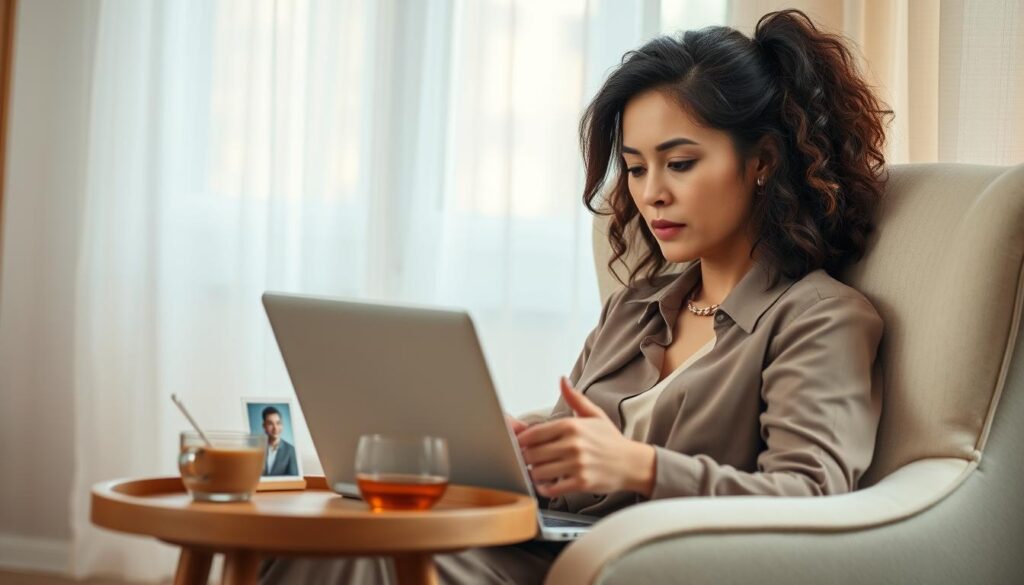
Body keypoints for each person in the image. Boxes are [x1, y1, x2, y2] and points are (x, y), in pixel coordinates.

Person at [260, 9, 891, 584]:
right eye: (637, 167)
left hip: (644, 568)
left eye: (679, 163)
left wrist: (640, 468)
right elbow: (575, 462)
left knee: (372, 563)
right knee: (327, 540)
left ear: (763, 161)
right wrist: (518, 451)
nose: (651, 195)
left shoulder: (819, 318)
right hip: (550, 545)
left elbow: (813, 499)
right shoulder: (637, 306)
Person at [261, 406, 299, 476]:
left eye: (278, 423)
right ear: (264, 426)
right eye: (270, 424)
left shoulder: (290, 450)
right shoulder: (257, 449)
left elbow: (293, 478)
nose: (275, 428)